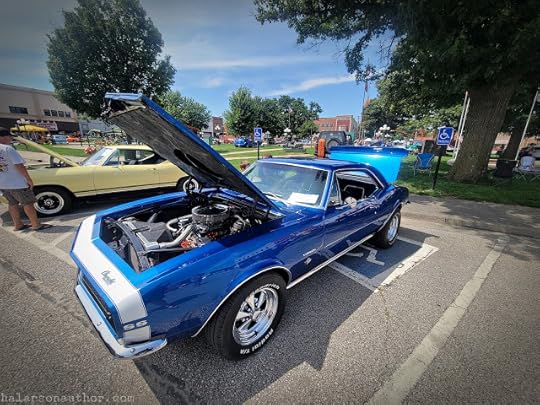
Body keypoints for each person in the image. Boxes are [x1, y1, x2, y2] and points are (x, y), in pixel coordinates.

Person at [0, 127, 50, 231]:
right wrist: (28, 179)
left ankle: (18, 224)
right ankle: (36, 224)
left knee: (12, 203)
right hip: (17, 182)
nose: (10, 139)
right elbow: (19, 165)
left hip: (3, 184)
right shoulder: (7, 148)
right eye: (9, 136)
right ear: (2, 137)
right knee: (28, 203)